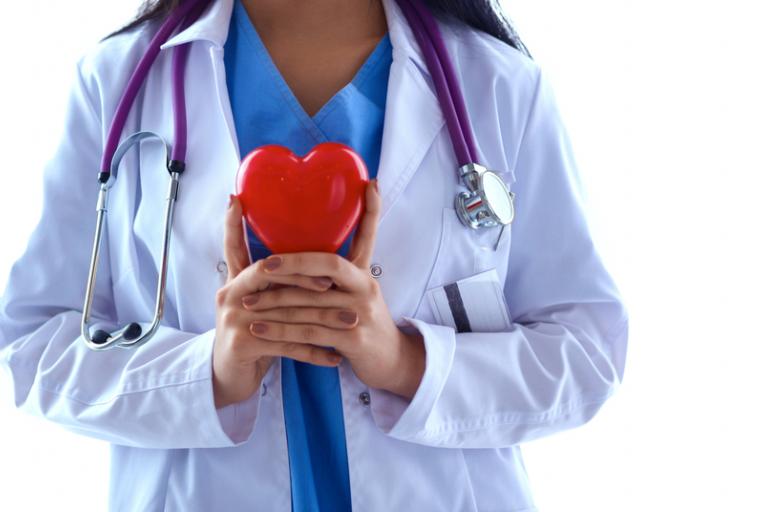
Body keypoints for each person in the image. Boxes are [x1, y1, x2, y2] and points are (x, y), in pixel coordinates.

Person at [0, 0, 629, 510]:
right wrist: (207, 375)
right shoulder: (117, 80)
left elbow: (586, 352)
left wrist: (407, 362)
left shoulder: (498, 85)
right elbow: (33, 346)